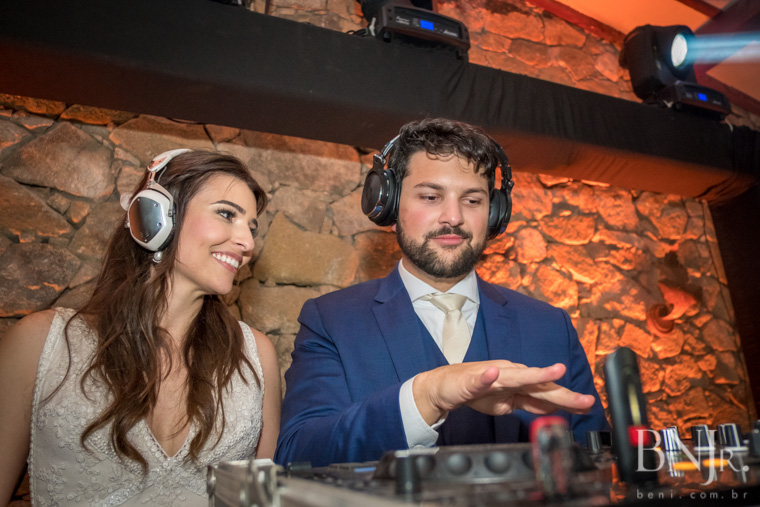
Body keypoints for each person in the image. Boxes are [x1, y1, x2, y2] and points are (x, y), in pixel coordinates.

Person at [275, 118, 607, 467]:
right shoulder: (331, 320)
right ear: (390, 205)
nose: (453, 217)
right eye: (431, 197)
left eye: (472, 200)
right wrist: (426, 396)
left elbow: (597, 459)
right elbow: (298, 455)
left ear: (494, 213)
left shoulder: (551, 326)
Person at [0, 150, 281, 506]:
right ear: (154, 216)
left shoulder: (255, 357)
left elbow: (258, 500)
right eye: (227, 214)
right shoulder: (38, 344)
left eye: (251, 227)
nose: (248, 243)